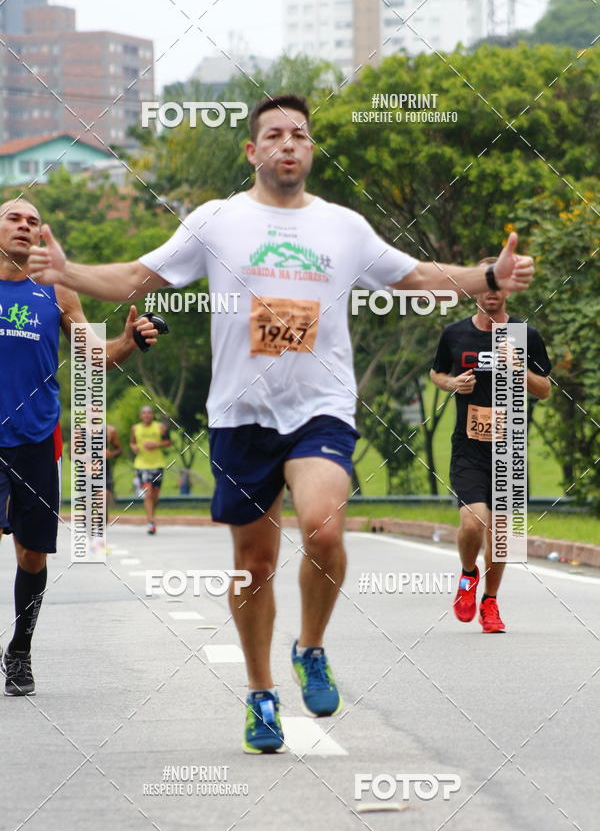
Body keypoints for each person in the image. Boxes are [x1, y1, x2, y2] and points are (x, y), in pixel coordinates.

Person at [27, 94, 535, 750]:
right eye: (274, 134)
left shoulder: (343, 228)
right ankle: (261, 693)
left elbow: (416, 277)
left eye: (299, 134)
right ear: (253, 151)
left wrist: (487, 274)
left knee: (323, 529)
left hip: (320, 407)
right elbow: (134, 278)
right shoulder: (217, 221)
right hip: (241, 416)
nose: (287, 143)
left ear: (310, 150)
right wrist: (66, 271)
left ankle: (312, 648)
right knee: (255, 563)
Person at [0, 198, 159, 696]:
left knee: (32, 555)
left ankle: (20, 650)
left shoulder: (58, 290)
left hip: (36, 439)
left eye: (33, 221)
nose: (24, 226)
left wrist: (130, 341)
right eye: (13, 218)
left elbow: (95, 358)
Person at [430, 257, 551, 633]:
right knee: (473, 522)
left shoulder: (524, 335)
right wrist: (452, 385)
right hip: (469, 444)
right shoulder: (455, 334)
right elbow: (436, 372)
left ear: (508, 290)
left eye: (498, 288)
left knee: (502, 534)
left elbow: (545, 390)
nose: (492, 295)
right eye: (486, 287)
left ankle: (491, 603)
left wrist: (520, 370)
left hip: (509, 447)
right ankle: (468, 576)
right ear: (475, 290)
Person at [130, 405, 171, 534]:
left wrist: (156, 444)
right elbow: (132, 442)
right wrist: (134, 447)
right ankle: (150, 522)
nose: (146, 415)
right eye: (144, 413)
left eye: (149, 413)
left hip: (157, 464)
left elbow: (169, 442)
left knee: (155, 496)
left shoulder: (160, 427)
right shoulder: (135, 428)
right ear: (141, 416)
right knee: (148, 493)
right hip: (141, 465)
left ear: (152, 415)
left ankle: (151, 516)